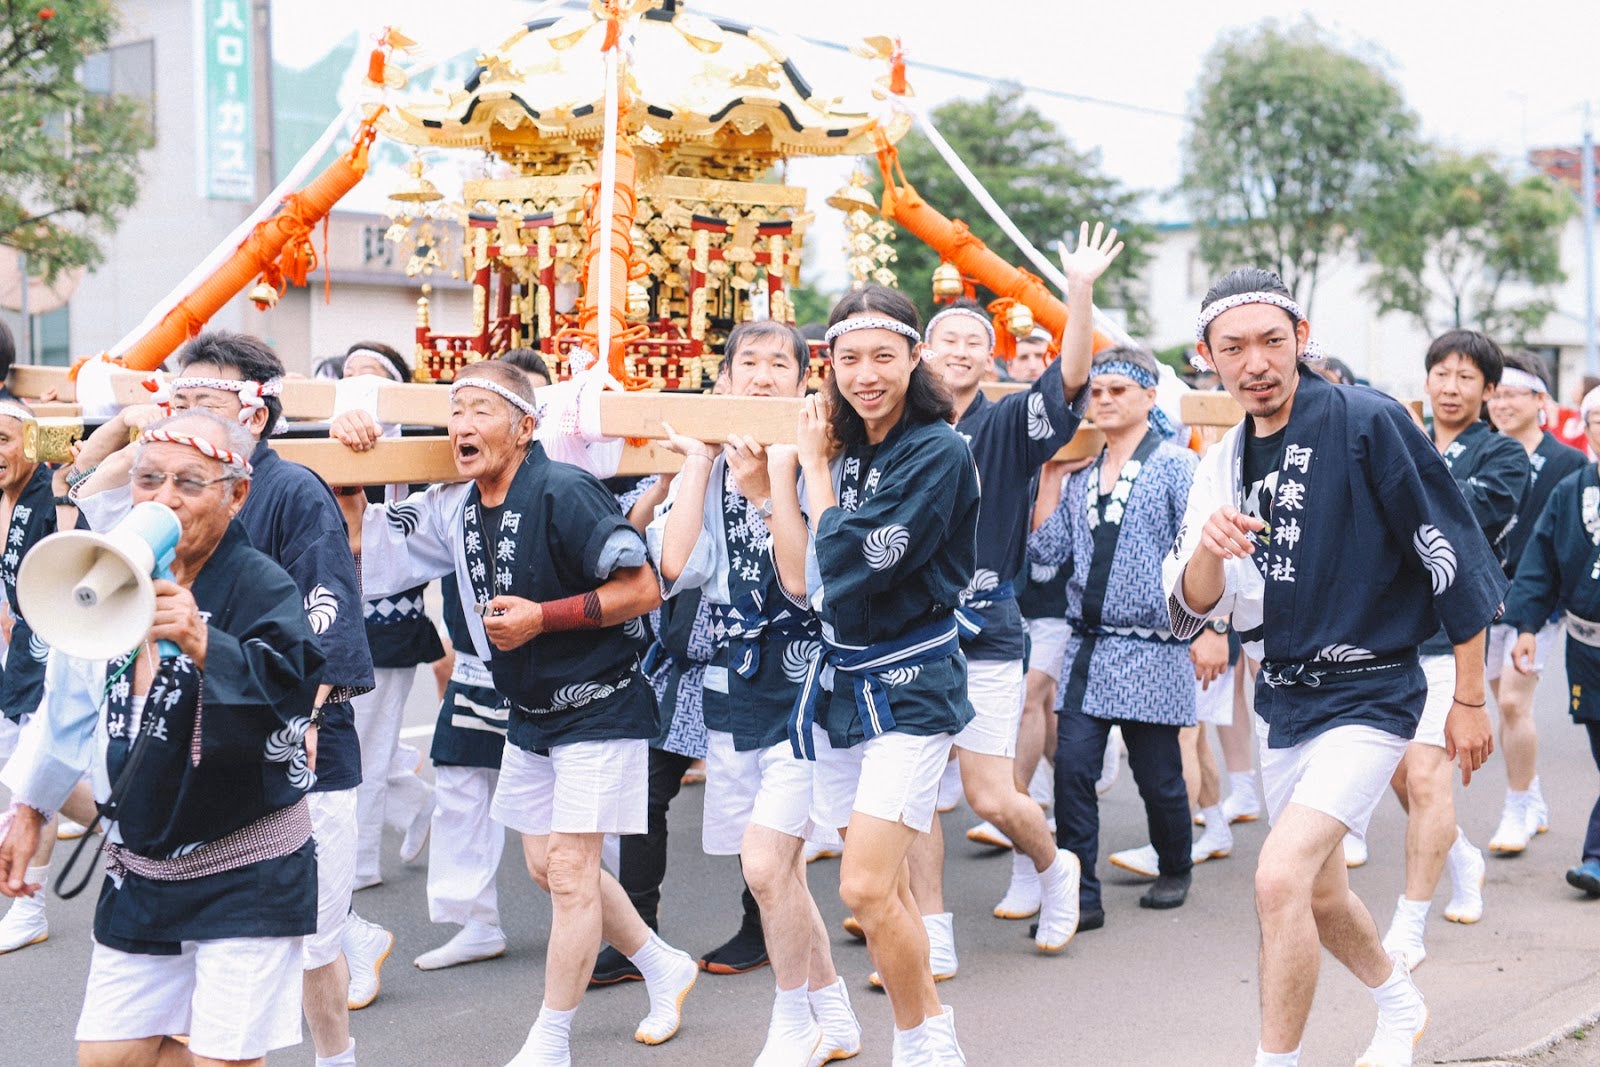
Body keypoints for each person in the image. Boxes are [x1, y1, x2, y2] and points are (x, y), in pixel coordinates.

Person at [1164, 268, 1502, 1067]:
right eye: (1233, 348)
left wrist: (1470, 696)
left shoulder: (1367, 420)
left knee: (1277, 878)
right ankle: (1397, 998)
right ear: (1208, 356)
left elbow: (1449, 549)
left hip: (1373, 689)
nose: (1255, 363)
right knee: (1319, 892)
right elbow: (1193, 605)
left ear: (1302, 338)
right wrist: (1211, 547)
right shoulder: (1222, 460)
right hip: (1282, 697)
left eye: (1271, 341)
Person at [342, 360, 698, 1066]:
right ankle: (663, 963)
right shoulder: (453, 504)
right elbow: (369, 549)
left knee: (569, 869)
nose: (462, 426)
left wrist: (543, 616)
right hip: (529, 712)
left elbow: (642, 589)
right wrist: (351, 476)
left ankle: (551, 1038)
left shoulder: (565, 489)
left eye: (480, 410)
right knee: (545, 865)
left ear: (525, 427)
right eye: (456, 411)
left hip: (601, 702)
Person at [72, 332, 377, 1067]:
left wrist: (298, 715)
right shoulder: (152, 502)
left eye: (206, 400)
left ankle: (335, 1055)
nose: (187, 413)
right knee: (116, 1053)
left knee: (315, 952)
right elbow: (86, 500)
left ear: (256, 414)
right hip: (169, 798)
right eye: (177, 399)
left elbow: (324, 618)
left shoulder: (293, 490)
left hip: (283, 750)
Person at [0, 410, 327, 1066]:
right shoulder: (106, 574)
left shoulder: (263, 585)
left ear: (236, 494)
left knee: (222, 1059)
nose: (165, 497)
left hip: (247, 865)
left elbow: (290, 703)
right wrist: (29, 811)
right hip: (145, 867)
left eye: (189, 482)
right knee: (109, 1056)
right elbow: (65, 707)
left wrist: (207, 644)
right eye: (149, 479)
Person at [898, 226, 1114, 978]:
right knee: (912, 798)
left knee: (991, 794)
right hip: (905, 636)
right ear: (921, 355)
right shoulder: (892, 431)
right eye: (947, 340)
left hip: (985, 628)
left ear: (989, 360)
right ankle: (931, 932)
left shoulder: (1009, 423)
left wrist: (1077, 291)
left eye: (973, 342)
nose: (960, 350)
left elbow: (1071, 376)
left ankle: (1055, 868)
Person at [775, 284, 980, 1064]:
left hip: (911, 684)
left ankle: (923, 1036)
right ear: (827, 362)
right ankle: (930, 1032)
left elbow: (850, 555)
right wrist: (782, 476)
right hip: (841, 688)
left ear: (915, 357)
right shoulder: (843, 440)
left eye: (884, 356)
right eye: (849, 358)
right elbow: (800, 576)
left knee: (862, 887)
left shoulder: (937, 450)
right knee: (884, 888)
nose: (865, 374)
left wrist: (812, 466)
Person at [649, 320, 862, 1063]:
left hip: (807, 680)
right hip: (734, 684)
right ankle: (834, 1013)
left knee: (769, 866)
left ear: (805, 382)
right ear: (726, 379)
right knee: (777, 872)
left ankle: (792, 1020)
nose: (764, 375)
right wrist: (699, 459)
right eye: (749, 363)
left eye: (780, 364)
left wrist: (768, 486)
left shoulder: (823, 455)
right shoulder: (714, 460)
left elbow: (804, 582)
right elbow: (677, 564)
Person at [1027, 347, 1206, 920]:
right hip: (1090, 645)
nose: (1103, 400)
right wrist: (1051, 477)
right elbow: (1044, 553)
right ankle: (1081, 896)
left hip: (1155, 646)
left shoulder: (1178, 466)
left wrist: (1212, 628)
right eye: (1096, 392)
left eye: (1117, 390)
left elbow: (1206, 549)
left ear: (1150, 397)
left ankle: (1175, 863)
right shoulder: (1083, 474)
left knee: (1158, 777)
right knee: (1073, 771)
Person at [1376, 330, 1527, 971]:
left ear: (1488, 391)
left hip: (1453, 639)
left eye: (1467, 377)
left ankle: (1409, 924)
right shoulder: (1404, 439)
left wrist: (1403, 474)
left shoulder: (1504, 454)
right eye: (1442, 373)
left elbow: (1456, 518)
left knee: (1427, 776)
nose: (1451, 387)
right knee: (1397, 774)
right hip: (1390, 635)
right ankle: (1461, 854)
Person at [330, 343, 442, 893]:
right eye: (348, 372)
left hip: (388, 624)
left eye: (371, 373)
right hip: (327, 616)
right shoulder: (326, 443)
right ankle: (417, 803)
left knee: (367, 747)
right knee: (338, 736)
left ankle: (359, 863)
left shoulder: (418, 452)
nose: (357, 382)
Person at [1480, 350, 1584, 853]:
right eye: (1495, 395)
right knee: (1505, 702)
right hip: (1485, 595)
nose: (1501, 404)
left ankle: (1518, 807)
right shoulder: (1482, 452)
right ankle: (1533, 795)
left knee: (1511, 702)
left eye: (1512, 394)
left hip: (1538, 597)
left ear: (1540, 399)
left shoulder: (1567, 463)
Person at [1503, 384, 1600, 899]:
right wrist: (1526, 628)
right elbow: (1540, 564)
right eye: (1599, 419)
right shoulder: (1570, 492)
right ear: (1587, 428)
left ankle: (1596, 857)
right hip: (1587, 648)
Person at [0, 398, 85, 955]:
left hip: (49, 652)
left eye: (4, 440)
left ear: (31, 442)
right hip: (13, 653)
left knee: (37, 775)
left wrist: (65, 486)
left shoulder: (50, 493)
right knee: (23, 771)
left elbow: (73, 562)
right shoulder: (4, 494)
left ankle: (29, 909)